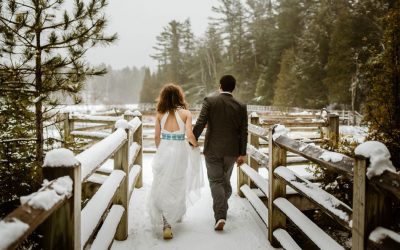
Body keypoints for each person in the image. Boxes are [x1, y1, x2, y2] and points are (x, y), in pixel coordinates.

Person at [148, 83, 203, 240]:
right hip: (180, 150)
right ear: (179, 97)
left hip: (165, 148)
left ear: (163, 98)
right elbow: (190, 135)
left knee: (163, 183)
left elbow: (156, 137)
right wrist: (195, 145)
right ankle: (173, 216)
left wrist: (161, 150)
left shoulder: (159, 114)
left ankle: (167, 221)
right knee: (178, 182)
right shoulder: (186, 113)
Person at [193, 75, 248, 231]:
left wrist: (192, 140)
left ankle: (220, 216)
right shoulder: (241, 106)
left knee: (217, 182)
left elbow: (201, 122)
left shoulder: (210, 101)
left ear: (220, 86)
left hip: (212, 149)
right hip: (232, 151)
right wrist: (242, 153)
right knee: (224, 181)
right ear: (233, 88)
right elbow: (243, 132)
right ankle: (222, 205)